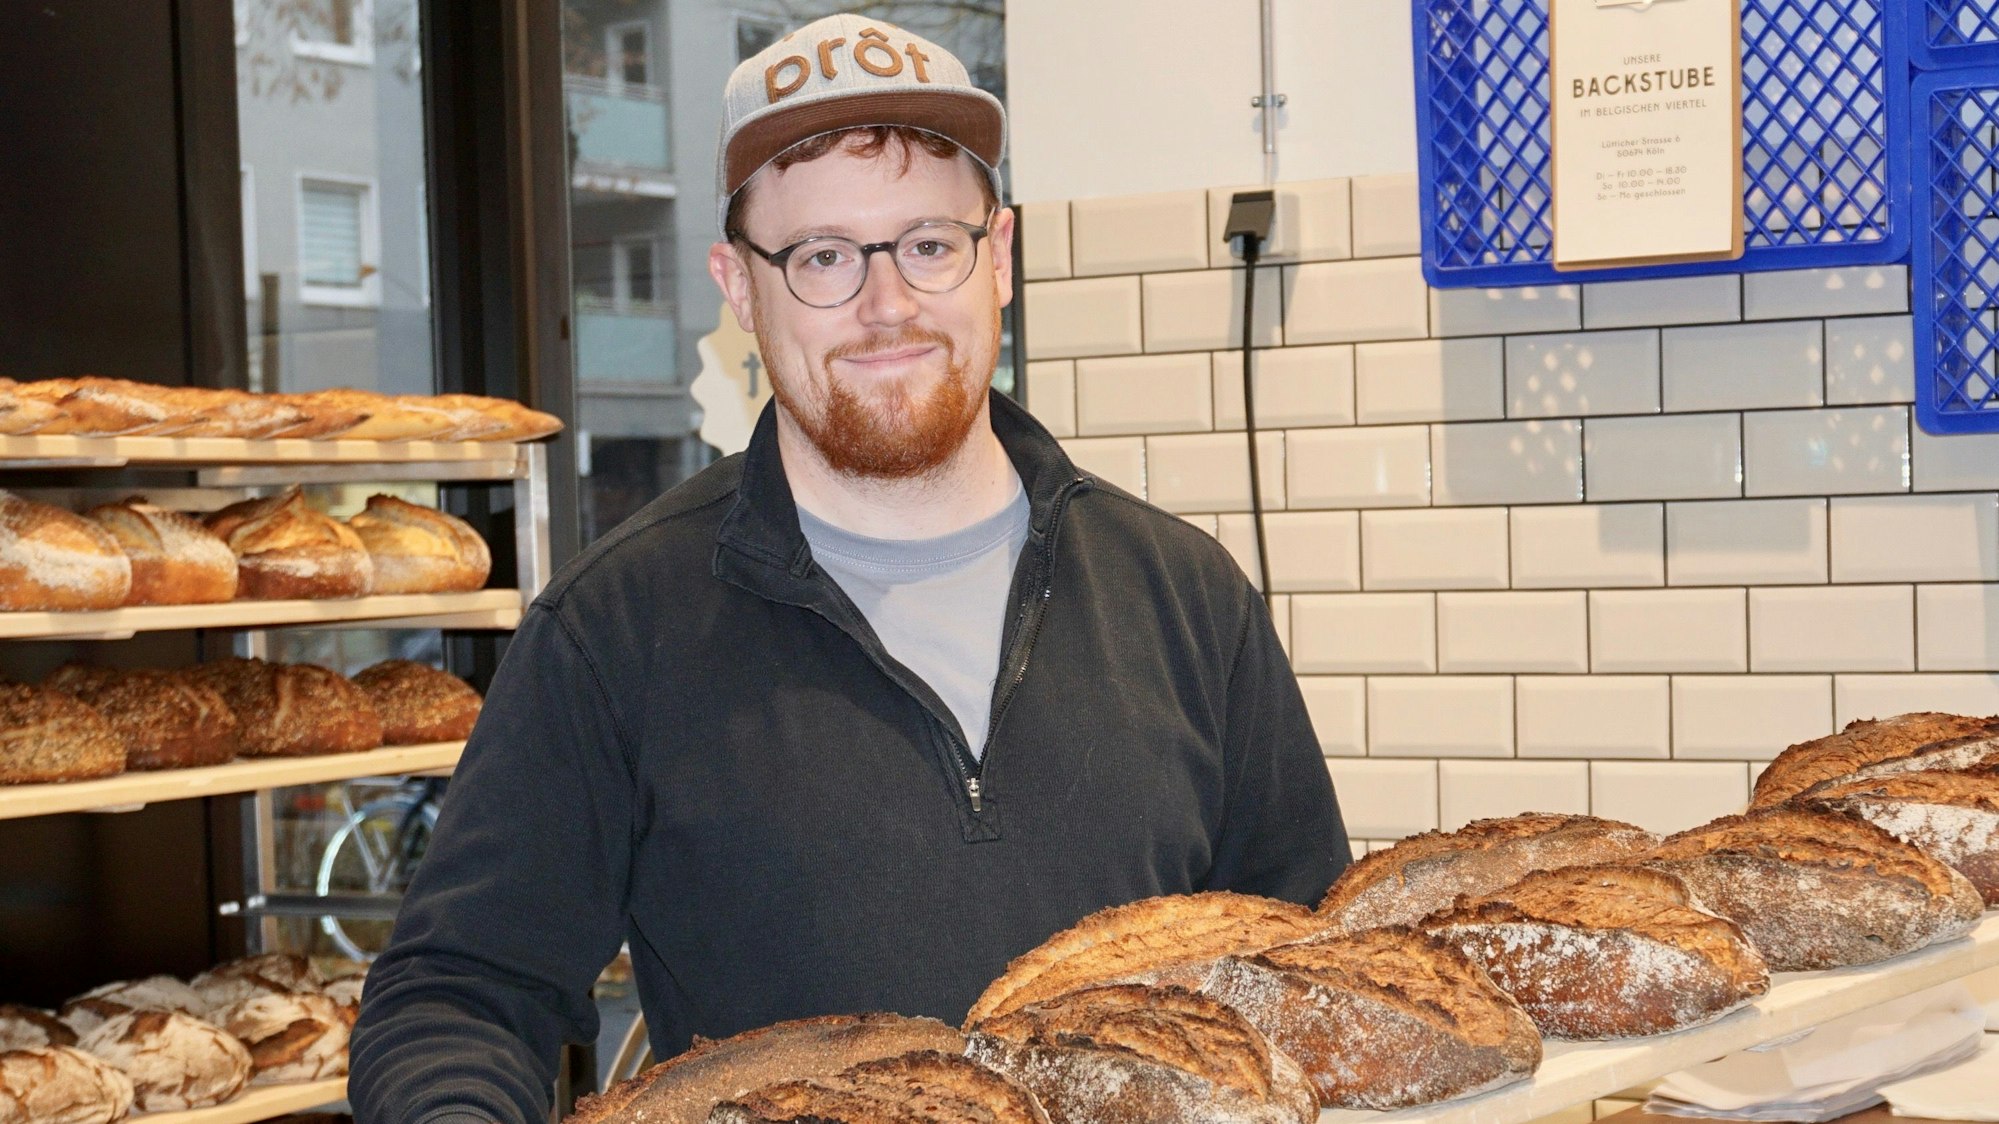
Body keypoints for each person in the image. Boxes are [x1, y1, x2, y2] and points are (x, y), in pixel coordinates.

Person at [349, 14, 1349, 1124]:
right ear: (740, 287)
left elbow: (1311, 966)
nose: (887, 304)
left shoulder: (1184, 596)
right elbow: (459, 995)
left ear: (998, 256)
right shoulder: (618, 629)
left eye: (928, 243)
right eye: (822, 256)